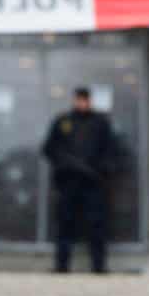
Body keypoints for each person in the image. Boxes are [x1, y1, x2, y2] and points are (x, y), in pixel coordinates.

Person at [41, 87, 115, 273]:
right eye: (79, 100)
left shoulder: (100, 123)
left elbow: (111, 151)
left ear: (90, 101)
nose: (82, 103)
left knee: (96, 224)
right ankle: (62, 265)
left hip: (93, 183)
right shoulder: (63, 121)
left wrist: (101, 169)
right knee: (65, 223)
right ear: (74, 101)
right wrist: (65, 164)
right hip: (69, 182)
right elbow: (49, 148)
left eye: (85, 100)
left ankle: (98, 266)